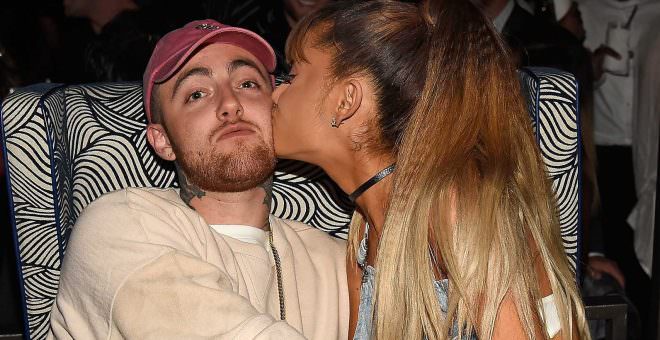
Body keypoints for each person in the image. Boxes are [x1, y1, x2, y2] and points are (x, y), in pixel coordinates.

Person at [272, 1, 589, 339]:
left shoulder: (451, 209)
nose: (276, 93)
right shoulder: (364, 232)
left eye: (293, 76)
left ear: (347, 100)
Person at [47, 19, 348, 339]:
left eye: (247, 84)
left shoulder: (337, 263)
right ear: (162, 141)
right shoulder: (119, 227)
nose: (230, 104)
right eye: (197, 94)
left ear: (276, 108)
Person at [578, 0, 660, 335]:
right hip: (603, 148)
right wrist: (590, 68)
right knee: (612, 251)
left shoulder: (654, 11)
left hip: (645, 151)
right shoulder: (584, 10)